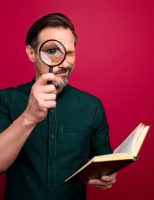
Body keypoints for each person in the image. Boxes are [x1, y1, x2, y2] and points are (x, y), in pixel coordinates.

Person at [0, 13, 116, 200]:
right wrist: (29, 117)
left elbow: (104, 163)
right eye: (52, 51)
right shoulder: (6, 100)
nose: (64, 62)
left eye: (69, 53)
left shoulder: (92, 106)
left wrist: (106, 175)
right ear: (31, 53)